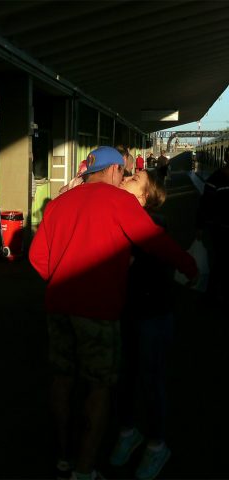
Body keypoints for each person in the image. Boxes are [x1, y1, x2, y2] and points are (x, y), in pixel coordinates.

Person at [28, 147, 198, 480]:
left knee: (62, 380)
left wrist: (62, 279)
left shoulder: (59, 204)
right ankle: (84, 470)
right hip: (98, 311)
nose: (123, 178)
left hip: (58, 308)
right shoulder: (117, 202)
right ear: (113, 170)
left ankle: (63, 457)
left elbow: (37, 259)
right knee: (99, 387)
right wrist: (190, 266)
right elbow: (155, 241)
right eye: (124, 172)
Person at [110, 170, 175, 480]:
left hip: (153, 315)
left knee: (151, 380)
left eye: (135, 178)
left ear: (144, 197)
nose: (126, 177)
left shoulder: (154, 226)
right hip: (127, 313)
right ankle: (128, 432)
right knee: (124, 376)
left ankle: (157, 444)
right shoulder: (118, 215)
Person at [196, 155, 229, 305]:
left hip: (219, 227)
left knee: (219, 263)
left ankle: (214, 295)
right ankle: (213, 296)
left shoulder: (215, 178)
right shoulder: (216, 178)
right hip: (220, 228)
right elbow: (206, 204)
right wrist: (200, 226)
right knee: (218, 263)